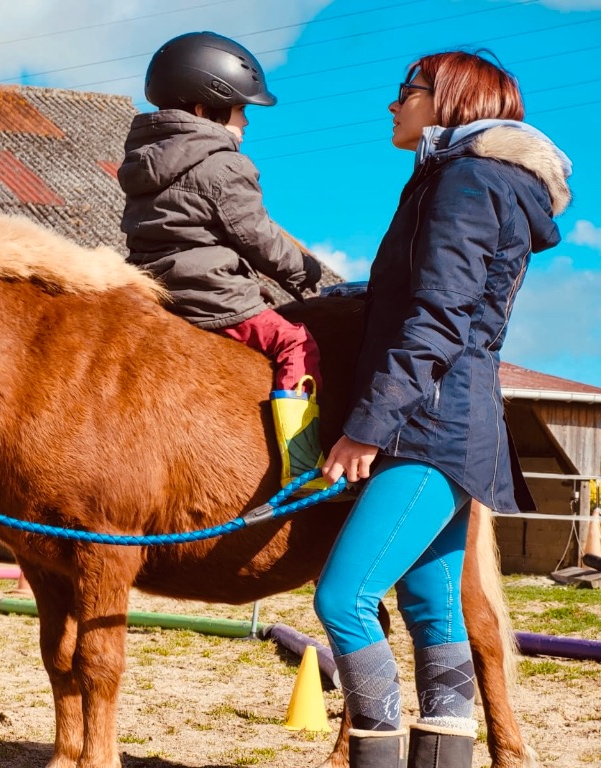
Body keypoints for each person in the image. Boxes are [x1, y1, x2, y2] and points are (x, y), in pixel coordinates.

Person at [315, 51, 571, 768]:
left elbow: (440, 319)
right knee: (433, 610)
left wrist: (366, 426)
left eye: (408, 91)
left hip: (429, 426)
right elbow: (428, 296)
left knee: (342, 600)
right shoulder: (460, 179)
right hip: (451, 422)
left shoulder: (466, 181)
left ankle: (375, 753)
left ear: (451, 99)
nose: (394, 104)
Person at [118, 31, 327, 490]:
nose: (246, 122)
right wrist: (308, 276)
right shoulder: (224, 164)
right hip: (212, 296)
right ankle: (304, 464)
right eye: (240, 109)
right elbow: (260, 239)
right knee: (295, 342)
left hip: (156, 291)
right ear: (202, 109)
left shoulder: (143, 163)